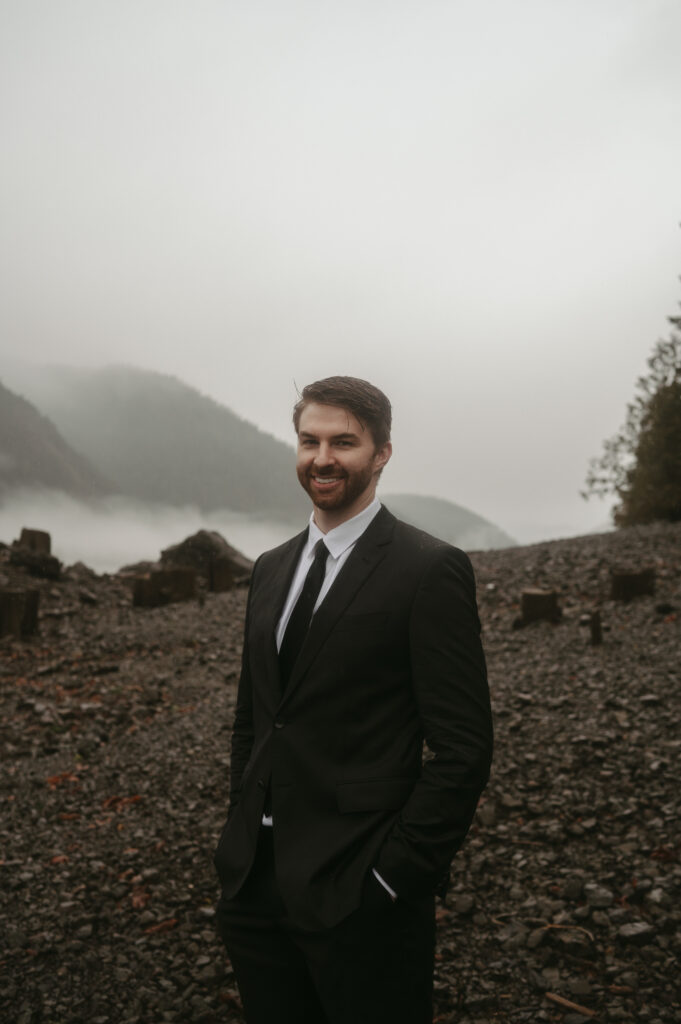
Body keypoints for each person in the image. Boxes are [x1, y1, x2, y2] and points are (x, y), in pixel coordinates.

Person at [214, 376, 493, 1024]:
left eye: (343, 441)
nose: (322, 458)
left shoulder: (428, 570)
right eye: (309, 440)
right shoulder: (271, 567)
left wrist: (393, 877)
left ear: (382, 453)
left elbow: (463, 749)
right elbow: (255, 719)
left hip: (361, 893)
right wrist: (237, 838)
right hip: (255, 886)